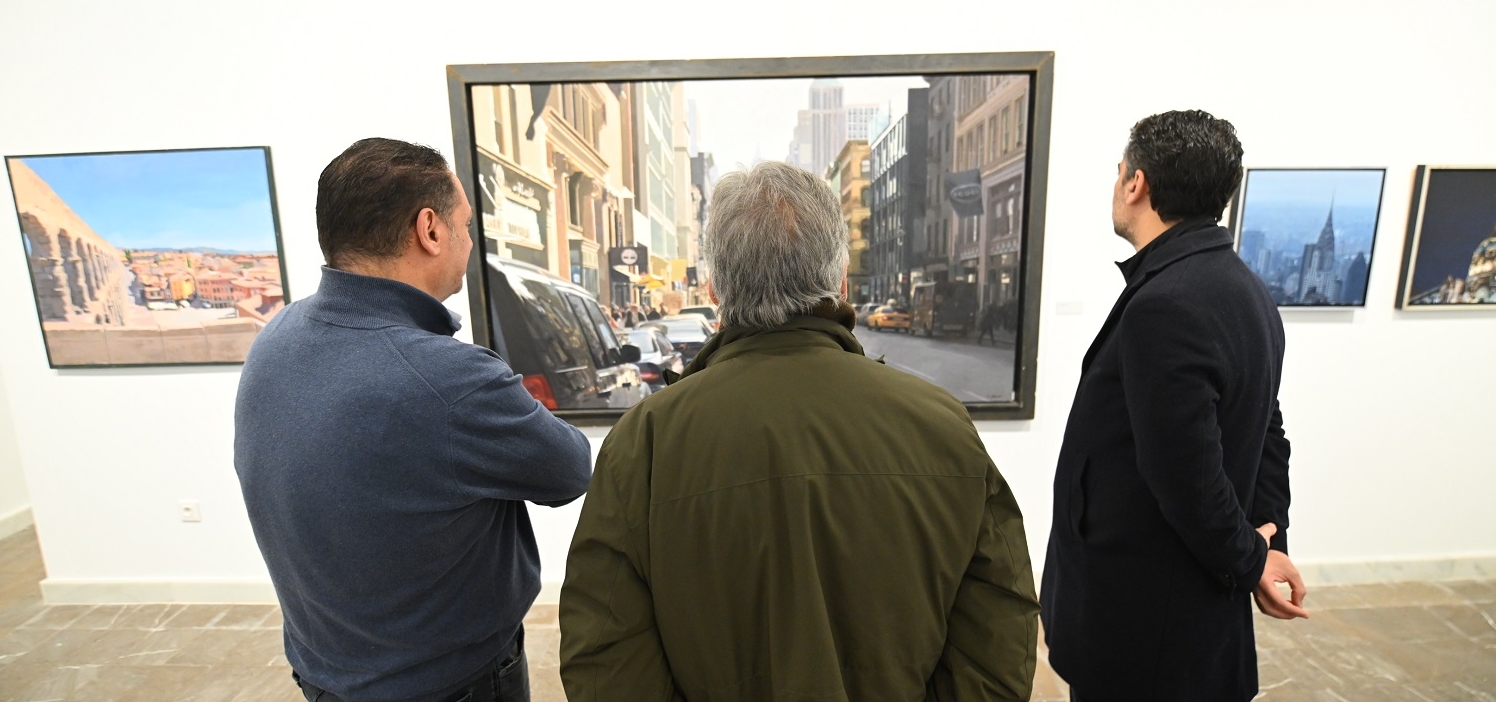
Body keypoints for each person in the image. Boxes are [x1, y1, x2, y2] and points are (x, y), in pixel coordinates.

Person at [559, 161, 1040, 702]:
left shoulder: (643, 443)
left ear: (715, 290)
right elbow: (999, 636)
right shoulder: (942, 425)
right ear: (838, 284)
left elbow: (605, 657)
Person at [235, 138, 592, 702]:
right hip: (449, 683)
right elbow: (572, 468)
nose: (470, 243)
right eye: (466, 226)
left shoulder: (276, 337)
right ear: (429, 230)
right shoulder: (449, 378)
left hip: (327, 672)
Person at [1041, 111, 1306, 702]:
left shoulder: (1168, 303)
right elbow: (1269, 431)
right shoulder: (1244, 288)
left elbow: (1185, 475)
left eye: (1119, 173)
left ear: (1136, 183)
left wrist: (1253, 557)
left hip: (1146, 629)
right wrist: (1270, 537)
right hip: (1185, 617)